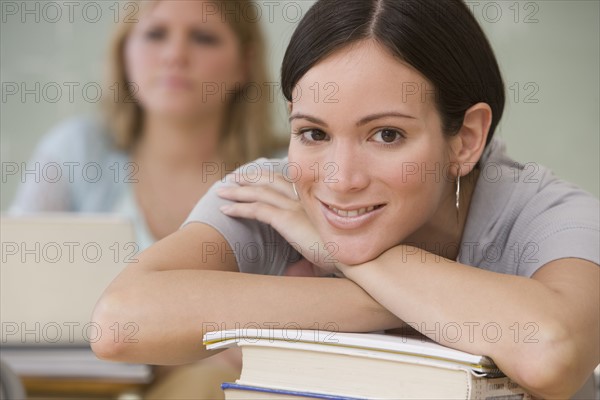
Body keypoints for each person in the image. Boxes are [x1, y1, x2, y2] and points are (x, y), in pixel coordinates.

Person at [91, 0, 600, 398]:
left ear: (466, 139)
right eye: (313, 133)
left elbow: (550, 355)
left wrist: (336, 253)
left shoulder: (549, 213)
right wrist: (399, 299)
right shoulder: (273, 192)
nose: (339, 179)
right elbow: (120, 323)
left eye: (386, 136)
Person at [10, 0, 283, 398]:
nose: (175, 55)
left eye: (204, 37)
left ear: (245, 62)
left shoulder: (279, 174)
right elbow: (13, 291)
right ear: (124, 53)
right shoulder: (76, 151)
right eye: (155, 34)